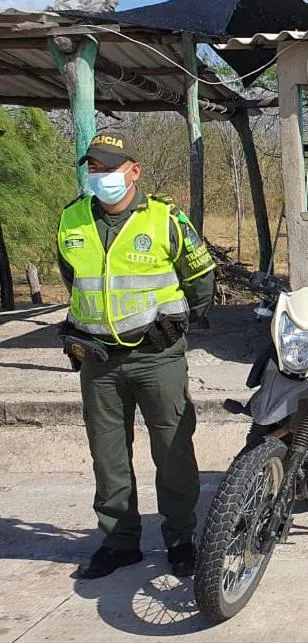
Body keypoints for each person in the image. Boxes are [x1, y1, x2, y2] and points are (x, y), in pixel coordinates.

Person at [57, 132, 216, 579]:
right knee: (107, 455)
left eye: (109, 167)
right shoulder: (71, 220)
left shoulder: (164, 218)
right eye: (94, 167)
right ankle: (119, 540)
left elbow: (200, 277)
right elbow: (74, 279)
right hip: (97, 361)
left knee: (172, 451)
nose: (101, 175)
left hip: (158, 357)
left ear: (133, 171)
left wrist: (181, 325)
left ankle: (181, 538)